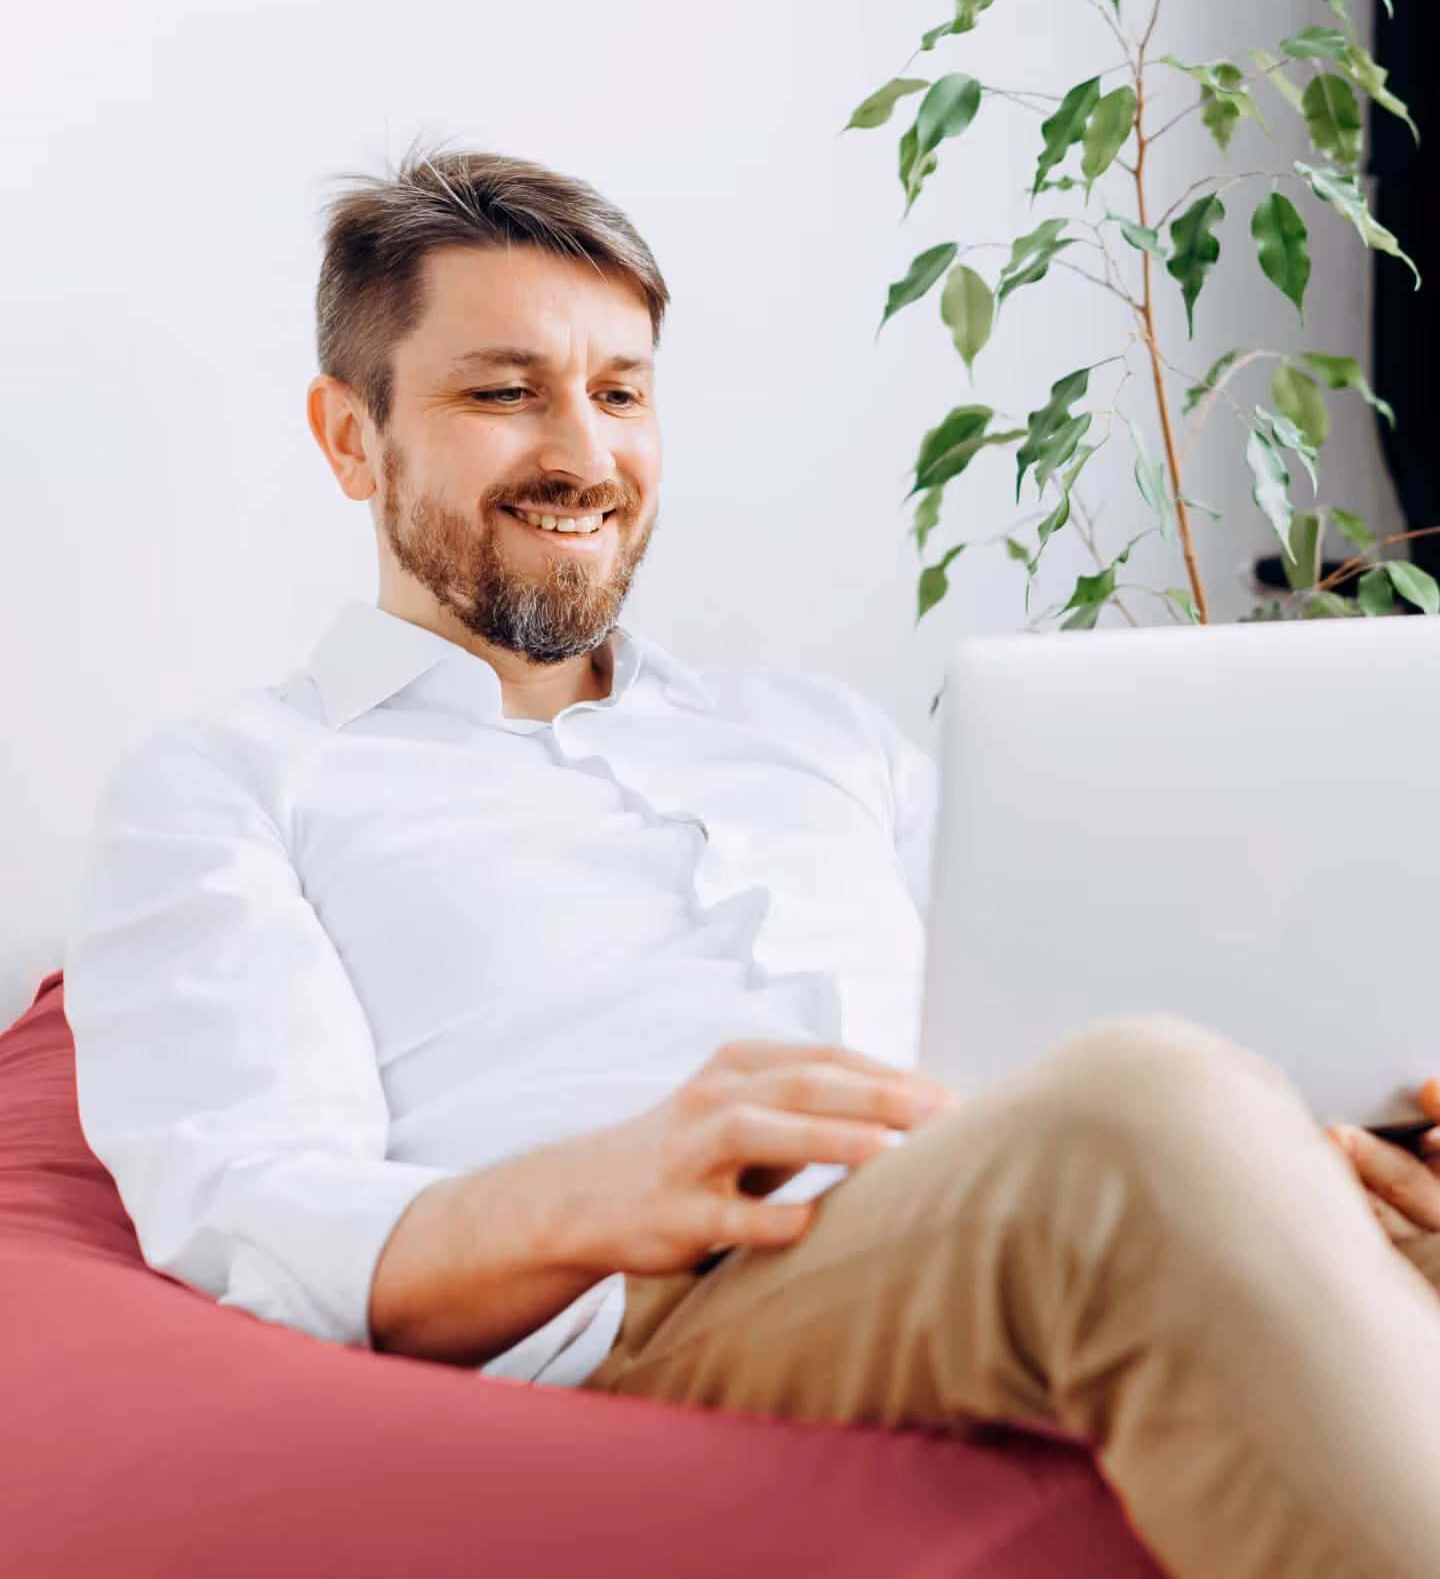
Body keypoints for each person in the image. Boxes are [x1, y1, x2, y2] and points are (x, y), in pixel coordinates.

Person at [63, 147, 1440, 1579]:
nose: (585, 456)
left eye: (621, 391)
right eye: (502, 390)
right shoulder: (226, 788)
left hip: (1004, 1201)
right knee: (1136, 1114)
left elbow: (1068, 997)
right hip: (678, 1308)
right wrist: (610, 1186)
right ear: (352, 437)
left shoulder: (819, 736)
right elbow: (259, 1209)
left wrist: (1344, 1126)